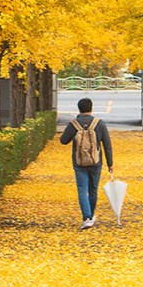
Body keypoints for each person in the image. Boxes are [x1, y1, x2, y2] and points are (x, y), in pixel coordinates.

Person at [60, 97, 114, 229]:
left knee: (82, 189)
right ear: (91, 108)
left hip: (79, 163)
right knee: (93, 190)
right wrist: (110, 163)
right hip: (96, 162)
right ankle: (91, 215)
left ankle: (87, 217)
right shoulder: (99, 123)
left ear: (79, 109)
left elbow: (63, 140)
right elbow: (107, 145)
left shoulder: (74, 124)